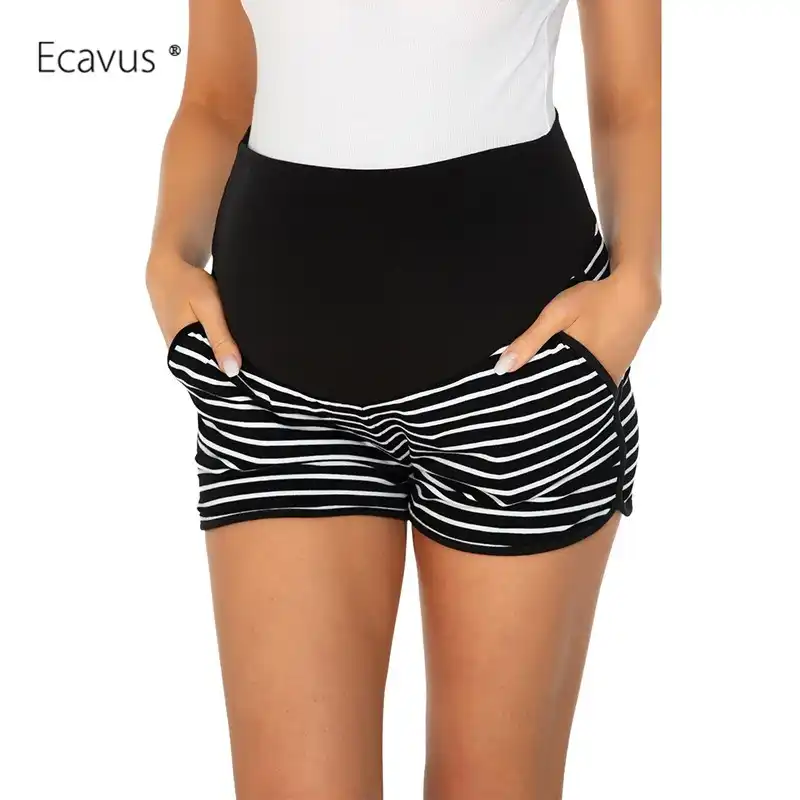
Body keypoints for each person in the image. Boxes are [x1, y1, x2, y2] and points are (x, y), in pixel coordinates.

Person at [145, 0, 661, 796]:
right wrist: (168, 255)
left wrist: (637, 286)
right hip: (273, 384)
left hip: (516, 373)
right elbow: (216, 95)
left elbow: (629, 96)